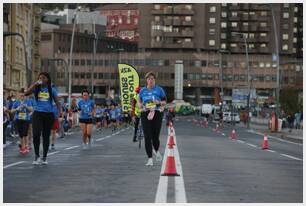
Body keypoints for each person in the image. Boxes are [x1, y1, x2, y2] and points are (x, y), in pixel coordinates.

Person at [24, 72, 61, 165]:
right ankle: (37, 156)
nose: (41, 79)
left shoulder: (52, 90)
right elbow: (26, 93)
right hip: (37, 113)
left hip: (48, 114)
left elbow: (57, 103)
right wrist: (34, 84)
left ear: (47, 79)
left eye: (43, 78)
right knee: (36, 134)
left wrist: (59, 114)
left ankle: (44, 157)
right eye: (40, 78)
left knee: (45, 136)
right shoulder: (36, 88)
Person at [138, 72, 167, 166]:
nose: (151, 80)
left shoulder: (159, 90)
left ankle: (156, 150)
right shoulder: (142, 90)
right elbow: (139, 101)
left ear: (155, 80)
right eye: (149, 79)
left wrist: (158, 102)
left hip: (157, 112)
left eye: (152, 79)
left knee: (155, 136)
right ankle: (150, 158)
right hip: (145, 113)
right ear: (146, 80)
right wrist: (141, 106)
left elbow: (164, 101)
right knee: (147, 136)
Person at [11, 88, 34, 154]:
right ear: (19, 96)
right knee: (21, 135)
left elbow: (32, 109)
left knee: (25, 134)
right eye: (21, 96)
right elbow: (12, 111)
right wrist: (17, 109)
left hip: (26, 120)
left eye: (23, 96)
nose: (22, 97)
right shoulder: (16, 102)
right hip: (19, 120)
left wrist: (26, 107)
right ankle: (22, 147)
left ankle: (26, 146)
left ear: (25, 96)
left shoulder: (28, 102)